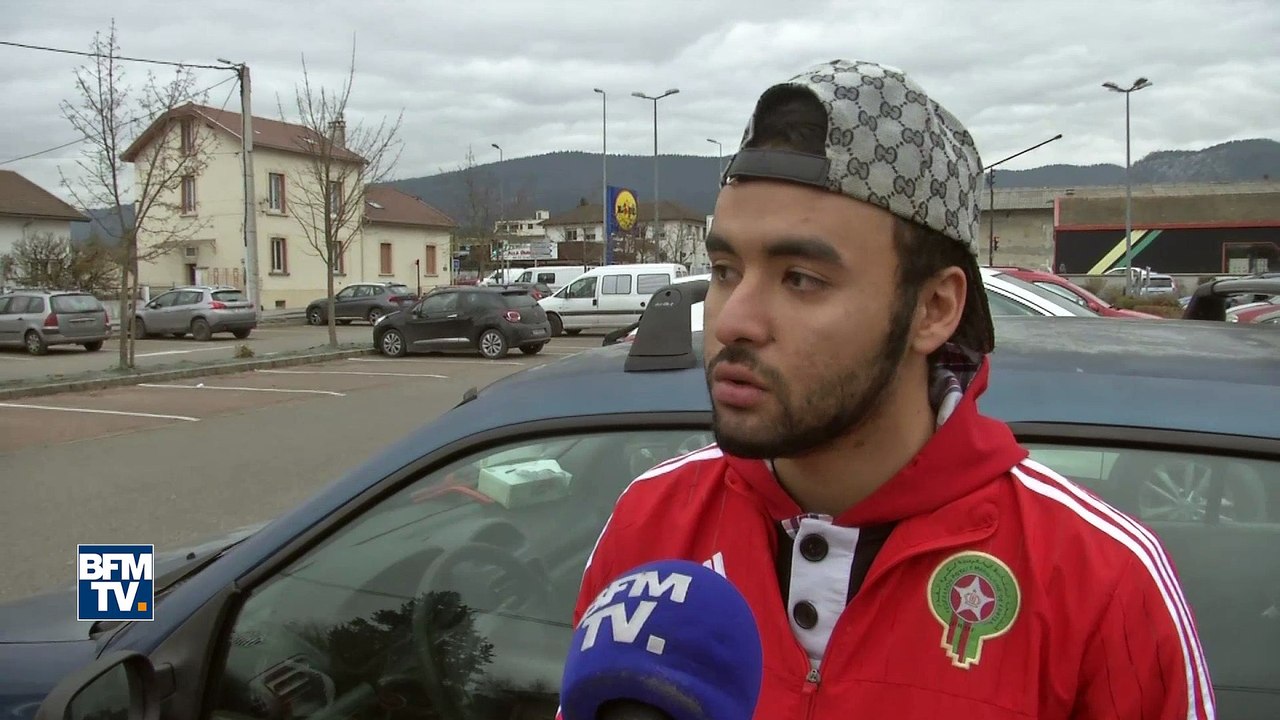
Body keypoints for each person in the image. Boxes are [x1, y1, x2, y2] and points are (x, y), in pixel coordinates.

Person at [567, 59, 1214, 718]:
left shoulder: (1099, 579)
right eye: (726, 269)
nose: (732, 320)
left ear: (934, 309)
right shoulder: (651, 522)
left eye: (800, 279)